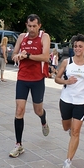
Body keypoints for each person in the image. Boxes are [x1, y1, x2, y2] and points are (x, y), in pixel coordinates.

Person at [55, 34, 84, 168]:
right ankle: (70, 130)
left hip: (81, 102)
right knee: (66, 127)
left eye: (80, 46)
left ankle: (68, 161)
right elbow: (57, 78)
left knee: (76, 131)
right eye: (75, 46)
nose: (77, 48)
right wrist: (66, 82)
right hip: (66, 100)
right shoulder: (67, 62)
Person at [9, 14, 50, 158]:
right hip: (22, 78)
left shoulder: (44, 37)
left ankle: (43, 120)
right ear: (26, 25)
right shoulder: (21, 37)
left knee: (37, 110)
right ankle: (18, 144)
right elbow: (14, 54)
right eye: (29, 26)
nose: (31, 29)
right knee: (19, 110)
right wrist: (17, 55)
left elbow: (45, 57)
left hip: (37, 79)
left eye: (34, 26)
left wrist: (27, 55)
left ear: (39, 25)